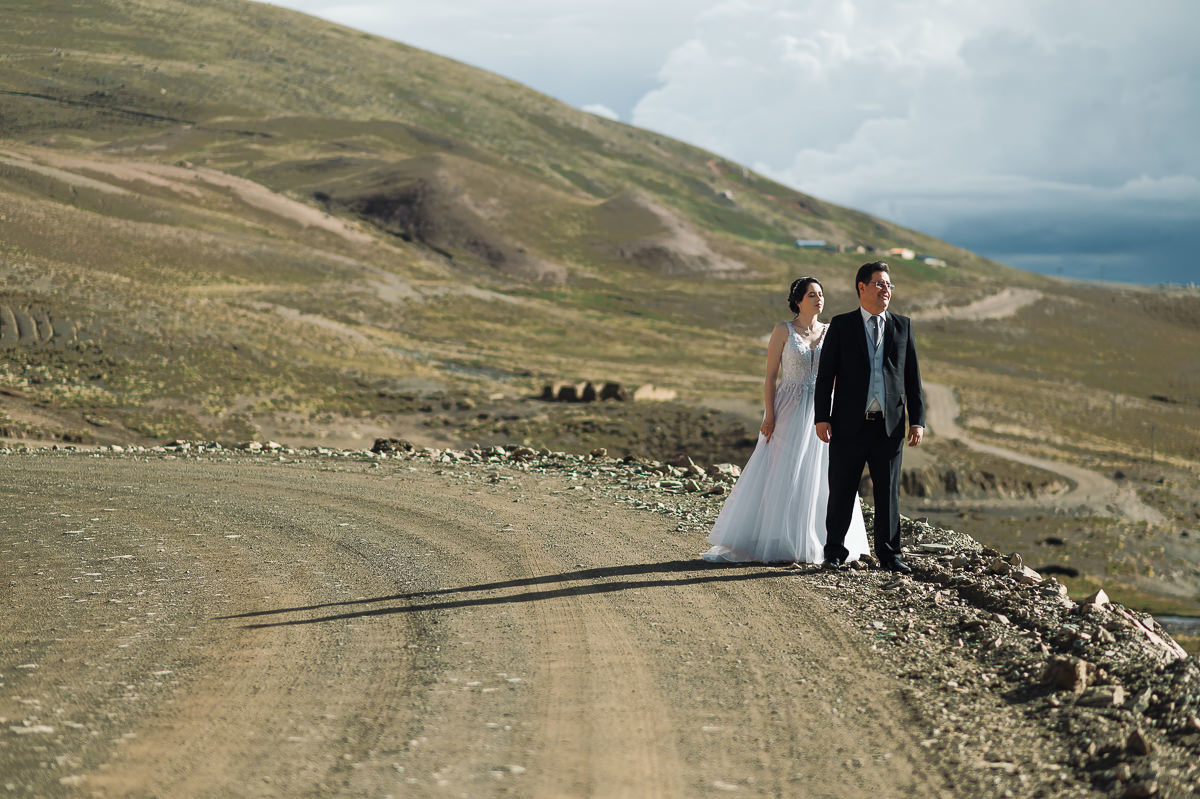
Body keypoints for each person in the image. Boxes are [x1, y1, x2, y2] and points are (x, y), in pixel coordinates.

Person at [703, 277, 869, 564]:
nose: (819, 299)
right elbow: (770, 377)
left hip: (822, 410)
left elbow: (840, 376)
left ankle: (823, 541)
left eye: (821, 294)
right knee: (784, 472)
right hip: (788, 408)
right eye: (812, 294)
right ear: (798, 300)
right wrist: (769, 415)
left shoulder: (832, 331)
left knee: (823, 474)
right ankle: (776, 539)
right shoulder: (783, 330)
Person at [814, 262, 925, 573]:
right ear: (861, 287)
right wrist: (822, 416)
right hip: (848, 424)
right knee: (842, 489)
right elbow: (826, 376)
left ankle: (890, 556)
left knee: (888, 494)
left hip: (889, 426)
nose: (885, 289)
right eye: (879, 283)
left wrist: (917, 420)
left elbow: (912, 377)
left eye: (888, 284)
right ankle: (834, 552)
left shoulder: (902, 326)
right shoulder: (841, 325)